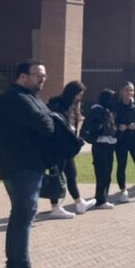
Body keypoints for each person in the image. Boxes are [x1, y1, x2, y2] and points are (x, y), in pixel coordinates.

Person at [0, 60, 58, 268]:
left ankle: (13, 267)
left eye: (44, 75)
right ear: (22, 76)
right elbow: (46, 124)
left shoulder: (21, 97)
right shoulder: (17, 99)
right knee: (24, 217)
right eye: (38, 74)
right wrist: (49, 117)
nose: (42, 79)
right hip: (21, 167)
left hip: (20, 165)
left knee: (19, 216)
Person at [47, 81, 94, 218]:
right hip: (58, 146)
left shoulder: (72, 106)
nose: (79, 98)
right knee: (56, 175)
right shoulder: (57, 105)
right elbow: (60, 126)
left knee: (71, 173)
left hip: (68, 146)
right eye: (79, 95)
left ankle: (79, 203)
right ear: (72, 93)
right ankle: (55, 207)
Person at [113, 81, 135, 201]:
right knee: (121, 165)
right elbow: (111, 120)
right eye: (127, 90)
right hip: (121, 141)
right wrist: (118, 126)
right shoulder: (116, 105)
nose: (130, 93)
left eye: (131, 90)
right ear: (121, 91)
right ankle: (123, 191)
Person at [85, 90, 119, 209]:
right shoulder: (97, 110)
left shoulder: (107, 110)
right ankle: (101, 199)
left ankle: (102, 197)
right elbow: (91, 127)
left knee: (107, 172)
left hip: (109, 145)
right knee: (102, 172)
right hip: (100, 145)